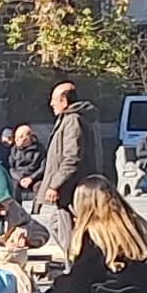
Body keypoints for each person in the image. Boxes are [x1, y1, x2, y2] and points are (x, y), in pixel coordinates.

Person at [39, 82, 102, 217]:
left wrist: (55, 184)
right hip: (70, 189)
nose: (51, 104)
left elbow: (72, 156)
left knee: (67, 229)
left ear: (64, 101)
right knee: (58, 225)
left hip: (70, 189)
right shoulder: (68, 119)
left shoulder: (72, 120)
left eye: (54, 99)